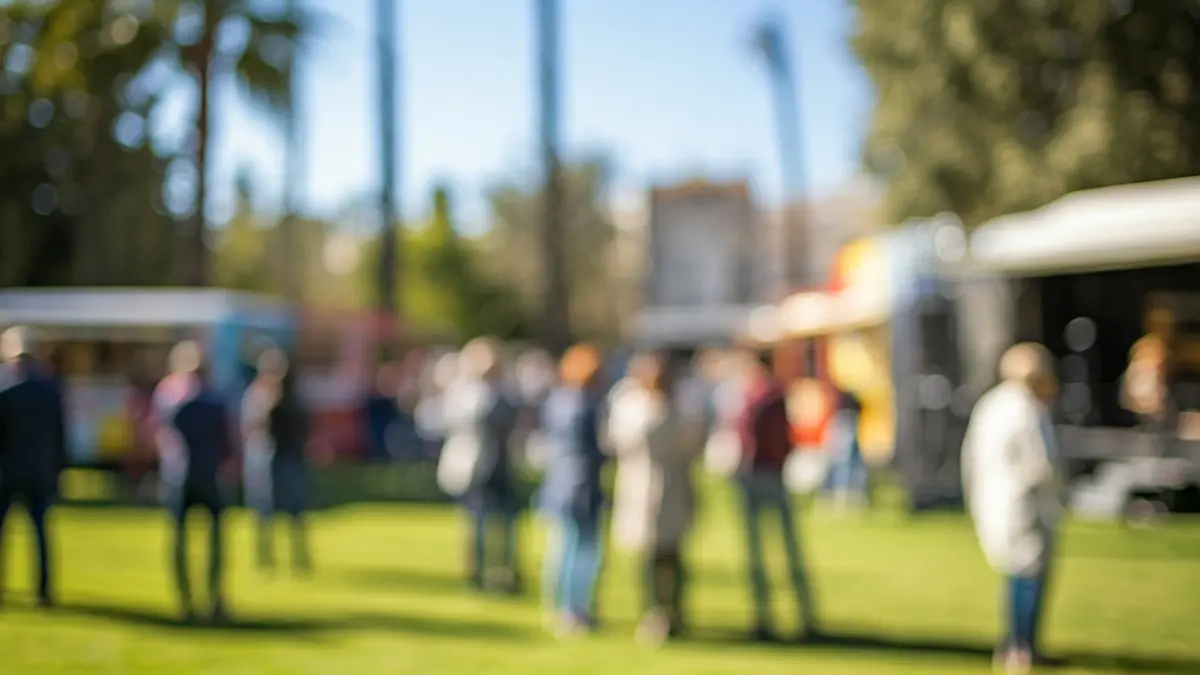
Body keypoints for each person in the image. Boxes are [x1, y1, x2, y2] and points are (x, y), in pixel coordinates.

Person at [962, 343, 1065, 674]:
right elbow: (1043, 464)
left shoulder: (991, 404)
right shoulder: (1026, 408)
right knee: (1028, 575)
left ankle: (1015, 645)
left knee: (1017, 573)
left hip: (994, 501)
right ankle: (1022, 648)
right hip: (1024, 504)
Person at [607, 353, 698, 645]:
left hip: (671, 487)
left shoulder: (679, 406)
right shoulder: (631, 405)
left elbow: (692, 445)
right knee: (649, 558)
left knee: (671, 556)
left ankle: (672, 611)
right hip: (642, 489)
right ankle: (654, 612)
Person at [733, 350, 819, 642]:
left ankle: (772, 616)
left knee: (766, 551)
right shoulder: (768, 395)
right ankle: (797, 615)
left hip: (760, 474)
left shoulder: (757, 396)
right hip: (767, 474)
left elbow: (753, 438)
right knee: (778, 550)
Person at [155, 341, 235, 622]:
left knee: (180, 540)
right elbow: (229, 440)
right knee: (214, 541)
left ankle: (185, 599)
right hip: (209, 474)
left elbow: (160, 434)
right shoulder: (215, 397)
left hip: (179, 476)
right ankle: (213, 600)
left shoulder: (169, 394)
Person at [538, 343, 607, 637]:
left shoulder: (557, 400)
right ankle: (574, 609)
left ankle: (559, 605)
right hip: (582, 484)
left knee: (562, 547)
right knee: (583, 551)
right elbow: (595, 448)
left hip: (558, 481)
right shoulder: (586, 404)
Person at [442, 337, 521, 593]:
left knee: (506, 523)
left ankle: (505, 572)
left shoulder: (502, 392)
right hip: (475, 467)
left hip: (499, 465)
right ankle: (477, 573)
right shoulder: (466, 393)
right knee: (477, 523)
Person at [0, 327, 68, 609]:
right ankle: (43, 590)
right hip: (40, 470)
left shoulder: (5, 387)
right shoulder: (50, 388)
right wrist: (58, 470)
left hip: (6, 472)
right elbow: (60, 435)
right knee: (40, 532)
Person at [242, 347, 312, 574]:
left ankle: (299, 559)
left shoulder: (292, 396)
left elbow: (303, 427)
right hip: (264, 460)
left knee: (295, 511)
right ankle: (265, 559)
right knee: (264, 511)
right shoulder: (257, 395)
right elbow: (250, 428)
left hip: (289, 459)